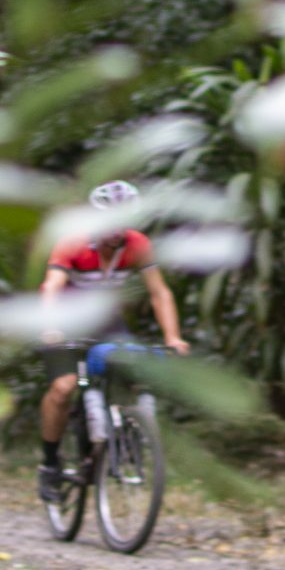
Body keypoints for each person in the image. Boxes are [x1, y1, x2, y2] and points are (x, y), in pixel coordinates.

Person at [37, 181, 190, 502]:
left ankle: (120, 435)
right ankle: (49, 464)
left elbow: (159, 292)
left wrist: (173, 337)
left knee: (130, 369)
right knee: (64, 387)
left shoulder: (136, 245)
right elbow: (51, 287)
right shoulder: (74, 241)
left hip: (106, 322)